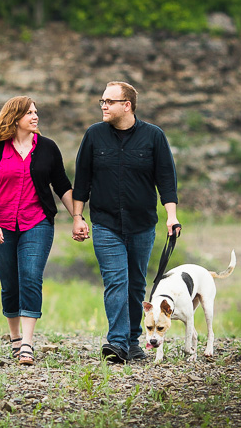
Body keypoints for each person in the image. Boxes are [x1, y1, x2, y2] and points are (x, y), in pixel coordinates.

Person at [71, 81, 180, 363]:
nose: (104, 106)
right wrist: (77, 217)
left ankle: (132, 342)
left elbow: (166, 181)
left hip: (142, 224)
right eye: (102, 101)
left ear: (127, 105)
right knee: (116, 281)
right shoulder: (94, 136)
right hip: (106, 223)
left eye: (109, 101)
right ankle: (117, 343)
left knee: (135, 285)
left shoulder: (154, 136)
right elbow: (81, 180)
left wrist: (172, 216)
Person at [0, 96, 76, 365]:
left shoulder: (47, 148)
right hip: (2, 225)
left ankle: (28, 345)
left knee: (31, 277)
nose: (35, 117)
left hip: (37, 222)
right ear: (15, 117)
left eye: (36, 112)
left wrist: (77, 217)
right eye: (29, 113)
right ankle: (15, 339)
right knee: (10, 283)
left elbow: (62, 185)